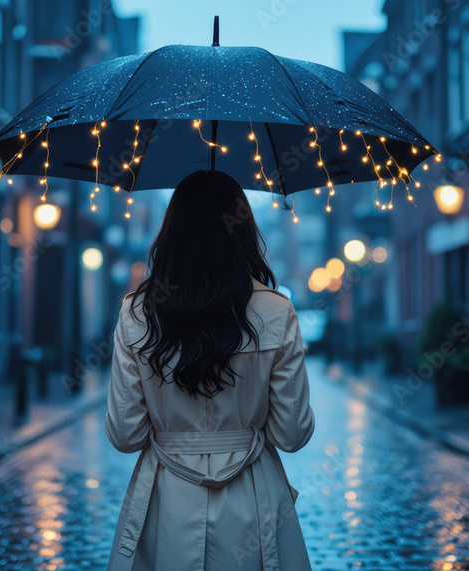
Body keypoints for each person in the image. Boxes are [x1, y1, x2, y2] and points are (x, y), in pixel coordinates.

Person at [105, 170, 315, 571]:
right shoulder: (276, 311)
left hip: (165, 503)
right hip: (254, 499)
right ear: (243, 230)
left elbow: (125, 435)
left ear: (171, 232)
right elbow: (291, 434)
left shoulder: (137, 313)